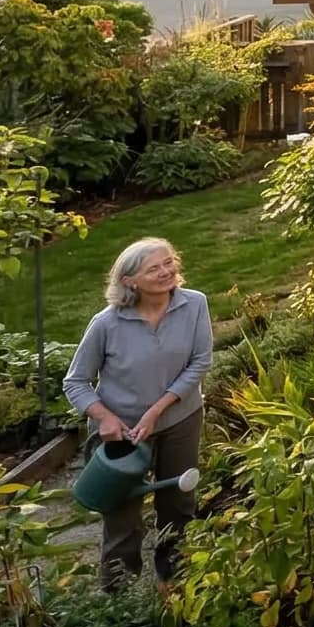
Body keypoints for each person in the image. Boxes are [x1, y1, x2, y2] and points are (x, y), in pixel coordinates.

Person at [62, 237, 212, 590]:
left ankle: (175, 580)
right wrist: (105, 418)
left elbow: (200, 362)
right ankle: (119, 595)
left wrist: (158, 410)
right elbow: (76, 382)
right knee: (122, 516)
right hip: (121, 434)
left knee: (178, 502)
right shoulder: (106, 324)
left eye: (168, 262)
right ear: (130, 281)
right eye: (154, 268)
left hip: (180, 419)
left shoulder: (194, 305)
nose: (166, 272)